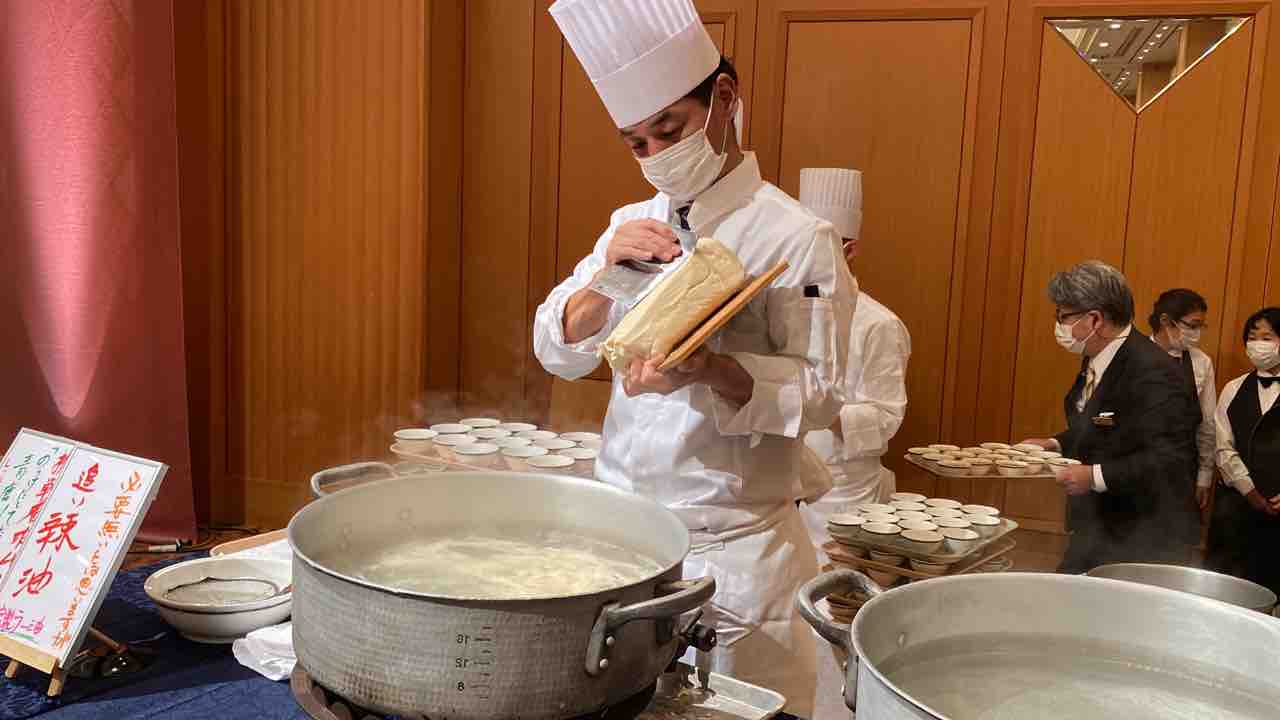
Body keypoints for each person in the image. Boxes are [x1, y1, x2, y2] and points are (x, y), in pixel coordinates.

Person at [536, 1, 858, 713]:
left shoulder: (795, 235)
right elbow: (555, 348)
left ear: (724, 99)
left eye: (669, 129)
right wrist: (604, 280)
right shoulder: (630, 223)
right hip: (622, 534)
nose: (655, 153)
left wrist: (709, 367)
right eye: (636, 142)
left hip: (733, 550)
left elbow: (825, 391)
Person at [796, 168, 909, 720]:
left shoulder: (878, 325)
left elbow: (886, 418)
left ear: (851, 249)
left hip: (841, 500)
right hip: (781, 491)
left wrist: (819, 407)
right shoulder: (784, 307)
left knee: (830, 627)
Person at [1023, 261, 1197, 573]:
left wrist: (1094, 476)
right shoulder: (1100, 356)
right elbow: (1105, 423)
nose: (1059, 326)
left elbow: (1167, 459)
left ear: (1095, 320)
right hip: (1097, 525)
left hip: (1140, 535)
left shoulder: (1153, 371)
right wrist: (1054, 443)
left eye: (1063, 317)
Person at [1209, 307, 1280, 593]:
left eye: (1267, 337)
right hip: (1238, 507)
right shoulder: (1233, 388)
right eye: (1252, 337)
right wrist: (1249, 491)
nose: (1257, 344)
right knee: (1232, 587)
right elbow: (1223, 447)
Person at [1147, 289, 1216, 542]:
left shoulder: (1201, 363)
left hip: (1182, 470)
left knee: (1174, 547)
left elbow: (1208, 424)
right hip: (1134, 468)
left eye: (1201, 326)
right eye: (1192, 325)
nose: (1197, 333)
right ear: (1166, 321)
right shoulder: (1132, 355)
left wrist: (1204, 476)